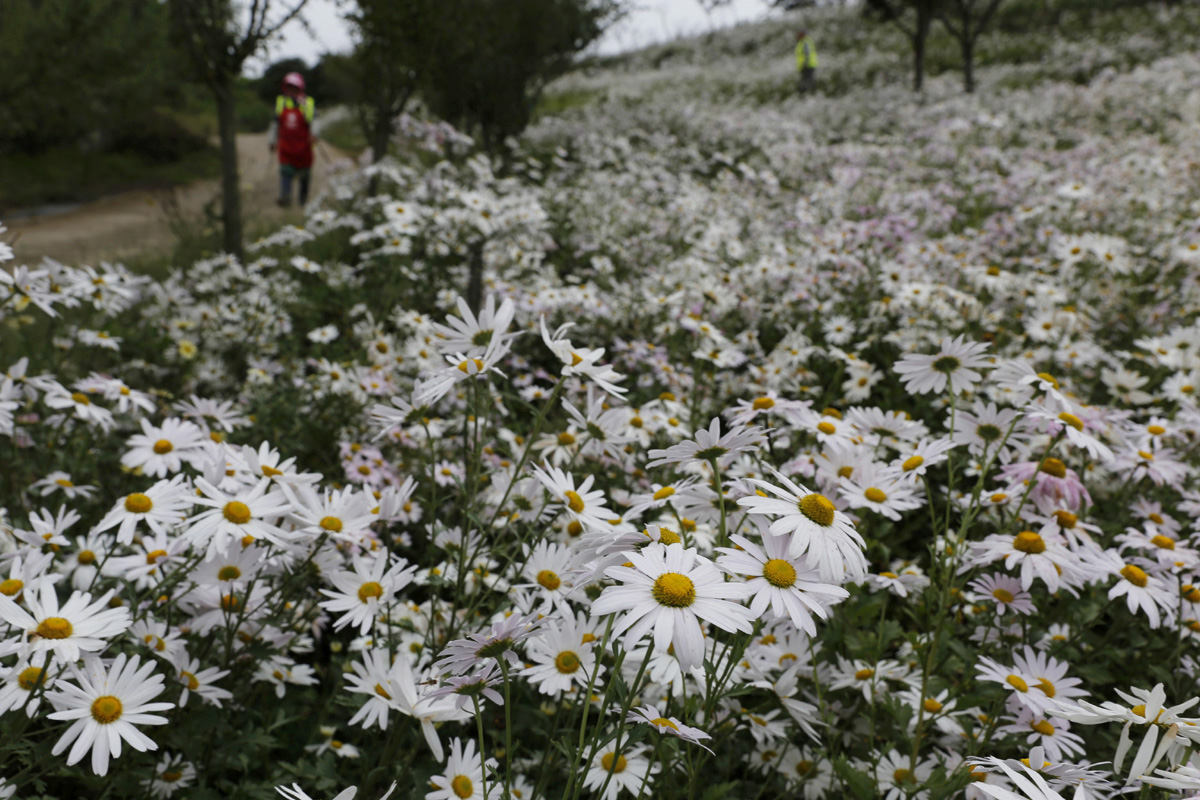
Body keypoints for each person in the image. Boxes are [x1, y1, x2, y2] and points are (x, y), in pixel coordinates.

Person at [268, 72, 315, 207]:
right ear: (285, 88)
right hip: (286, 146)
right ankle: (285, 198)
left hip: (304, 147)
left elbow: (314, 121)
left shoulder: (308, 102)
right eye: (290, 88)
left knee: (305, 175)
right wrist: (272, 140)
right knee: (285, 172)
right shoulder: (281, 102)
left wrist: (315, 134)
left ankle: (303, 200)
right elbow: (275, 124)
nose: (292, 91)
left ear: (300, 88)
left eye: (295, 88)